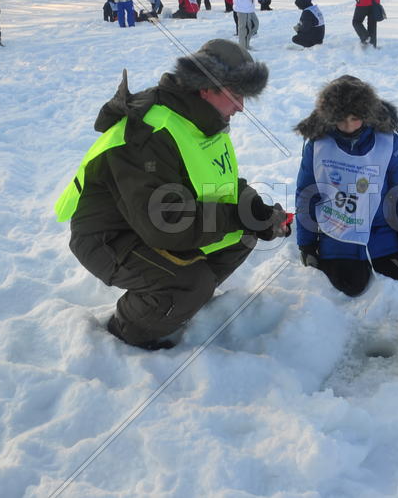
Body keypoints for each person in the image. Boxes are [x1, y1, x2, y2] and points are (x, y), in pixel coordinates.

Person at [55, 39, 289, 350]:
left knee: (243, 235)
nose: (241, 107)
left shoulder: (204, 122)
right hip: (108, 235)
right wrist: (238, 216)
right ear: (206, 87)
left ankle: (177, 301)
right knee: (190, 282)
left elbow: (222, 185)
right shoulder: (150, 132)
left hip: (154, 223)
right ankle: (130, 328)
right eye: (235, 95)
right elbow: (166, 223)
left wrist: (256, 211)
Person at [294, 76, 398, 297]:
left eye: (355, 118)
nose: (349, 126)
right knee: (351, 286)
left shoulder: (387, 141)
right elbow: (306, 195)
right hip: (337, 231)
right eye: (341, 119)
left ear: (367, 115)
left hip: (380, 231)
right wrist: (307, 243)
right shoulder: (318, 144)